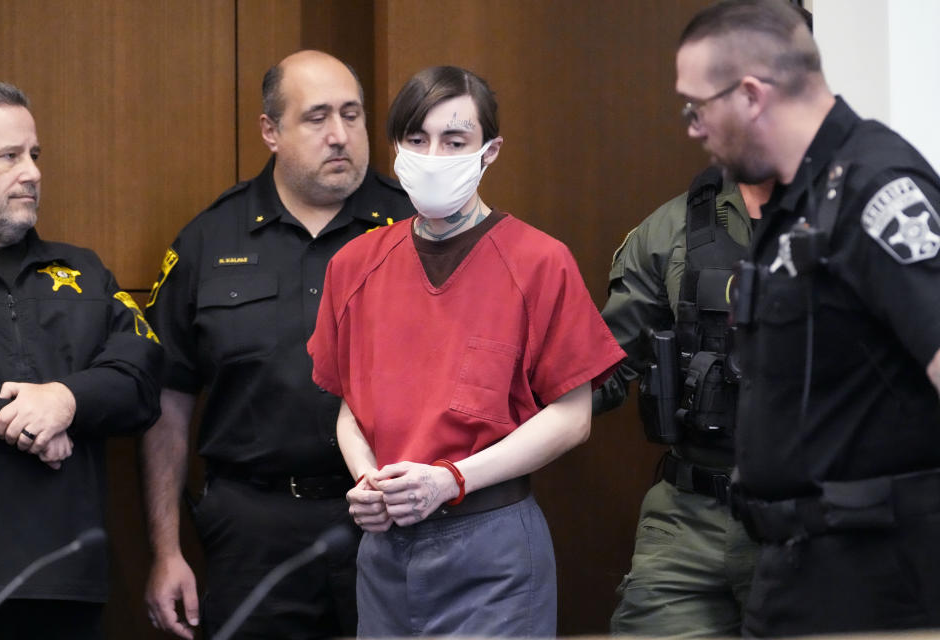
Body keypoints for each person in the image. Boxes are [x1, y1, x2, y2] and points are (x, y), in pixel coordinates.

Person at [308, 65, 625, 637]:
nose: (434, 156)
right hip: (384, 550)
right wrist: (368, 480)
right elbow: (350, 405)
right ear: (396, 149)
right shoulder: (354, 265)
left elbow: (574, 417)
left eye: (455, 141)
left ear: (489, 150)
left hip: (491, 546)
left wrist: (451, 480)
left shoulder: (537, 260)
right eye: (416, 140)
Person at [675, 0, 940, 635]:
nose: (691, 127)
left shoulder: (876, 189)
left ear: (749, 95)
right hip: (798, 567)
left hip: (879, 579)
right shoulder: (801, 199)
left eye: (696, 107)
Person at [141, 51, 413, 639]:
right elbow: (168, 398)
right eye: (317, 117)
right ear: (271, 131)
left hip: (394, 520)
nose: (340, 136)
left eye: (352, 114)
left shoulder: (417, 228)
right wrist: (166, 550)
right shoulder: (209, 238)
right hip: (253, 527)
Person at [0, 80, 162, 639]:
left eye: (34, 155)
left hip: (67, 582)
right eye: (8, 157)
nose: (31, 172)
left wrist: (65, 400)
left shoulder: (83, 272)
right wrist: (23, 422)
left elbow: (142, 374)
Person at [597, 170, 771, 636]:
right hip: (688, 515)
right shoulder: (672, 227)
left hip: (813, 524)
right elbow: (603, 371)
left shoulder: (857, 219)